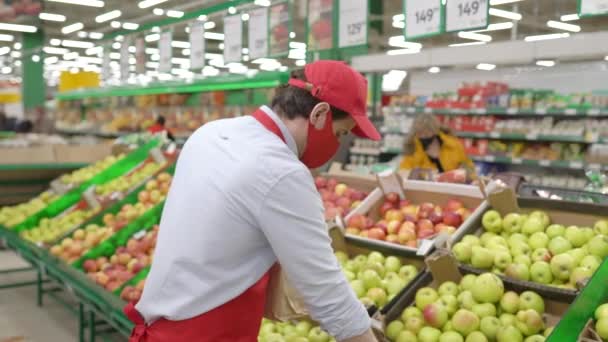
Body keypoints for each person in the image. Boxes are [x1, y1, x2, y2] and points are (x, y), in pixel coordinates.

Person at [125, 60, 381, 342]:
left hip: (161, 325)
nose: (336, 145)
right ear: (320, 115)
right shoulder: (282, 172)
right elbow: (328, 294)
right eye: (340, 133)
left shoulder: (210, 134)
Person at [399, 113, 475, 174]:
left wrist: (465, 172)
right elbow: (403, 172)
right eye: (420, 134)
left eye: (427, 133)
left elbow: (469, 168)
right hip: (424, 191)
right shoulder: (412, 148)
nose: (423, 137)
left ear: (435, 131)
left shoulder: (453, 145)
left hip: (451, 189)